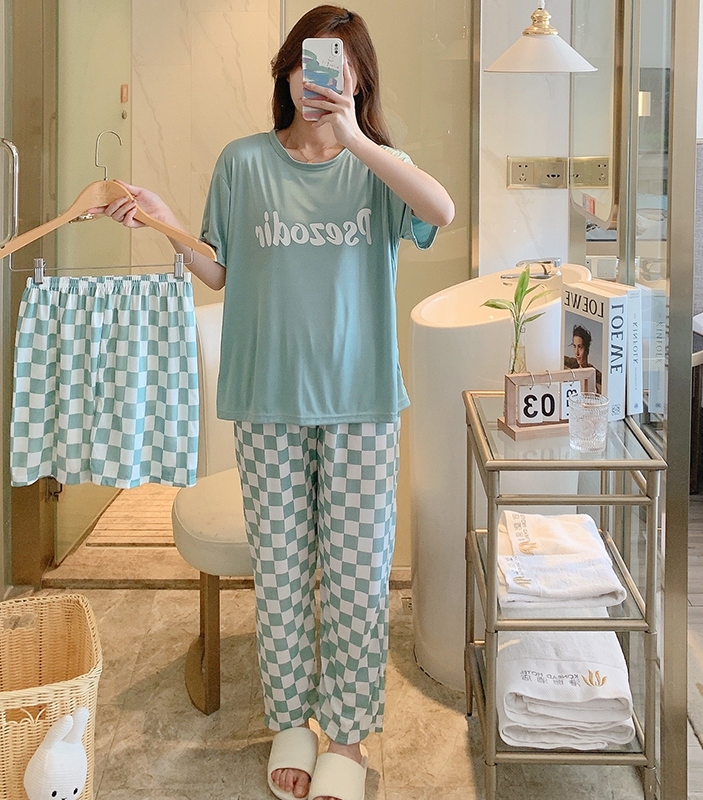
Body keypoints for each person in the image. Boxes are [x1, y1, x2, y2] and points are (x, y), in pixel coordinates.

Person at [99, 6, 454, 799]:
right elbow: (221, 270)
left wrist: (358, 139)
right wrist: (162, 222)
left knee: (357, 578)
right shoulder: (244, 162)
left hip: (361, 400)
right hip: (265, 399)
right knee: (283, 573)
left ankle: (348, 739)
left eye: (334, 65)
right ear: (286, 73)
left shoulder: (378, 168)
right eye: (303, 61)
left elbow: (441, 212)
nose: (313, 77)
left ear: (357, 81)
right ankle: (292, 718)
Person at [564, 324, 603, 393]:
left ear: (587, 350)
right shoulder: (571, 372)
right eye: (574, 346)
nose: (576, 352)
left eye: (580, 347)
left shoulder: (595, 378)